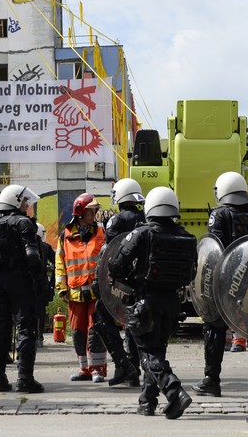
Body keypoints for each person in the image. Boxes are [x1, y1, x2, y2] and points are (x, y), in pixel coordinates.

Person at [106, 187, 196, 418]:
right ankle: (147, 401)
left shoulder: (142, 233)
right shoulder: (187, 236)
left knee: (147, 353)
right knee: (158, 351)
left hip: (145, 300)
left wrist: (129, 283)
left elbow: (115, 264)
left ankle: (174, 391)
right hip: (173, 303)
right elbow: (192, 272)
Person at [193, 172, 248, 398]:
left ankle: (211, 381)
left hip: (226, 280)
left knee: (214, 329)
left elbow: (214, 249)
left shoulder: (220, 214)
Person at [0, 184, 45, 393]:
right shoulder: (23, 223)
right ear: (16, 201)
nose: (27, 205)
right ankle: (25, 378)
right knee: (26, 329)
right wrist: (38, 280)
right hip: (20, 281)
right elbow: (32, 256)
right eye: (25, 201)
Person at [92, 178, 143, 387]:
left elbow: (109, 252)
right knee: (133, 322)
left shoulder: (116, 220)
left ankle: (123, 364)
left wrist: (100, 280)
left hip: (121, 279)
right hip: (142, 280)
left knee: (100, 313)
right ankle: (133, 367)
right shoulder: (146, 217)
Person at [56, 193, 107, 382]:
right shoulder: (65, 235)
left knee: (96, 330)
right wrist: (61, 287)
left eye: (95, 211)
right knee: (78, 331)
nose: (94, 214)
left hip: (97, 291)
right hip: (75, 292)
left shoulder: (102, 232)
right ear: (80, 211)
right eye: (90, 211)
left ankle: (98, 370)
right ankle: (84, 369)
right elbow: (60, 263)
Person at [35, 222, 55, 348]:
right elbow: (58, 264)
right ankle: (39, 337)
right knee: (40, 311)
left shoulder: (20, 245)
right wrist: (52, 283)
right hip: (41, 284)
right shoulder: (46, 247)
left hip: (25, 284)